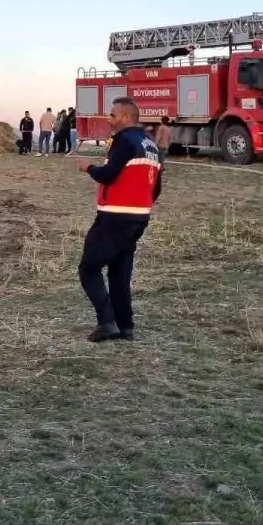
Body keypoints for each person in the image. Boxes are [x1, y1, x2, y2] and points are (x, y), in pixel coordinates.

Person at [76, 97, 163, 342]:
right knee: (119, 272)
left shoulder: (124, 141)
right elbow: (157, 186)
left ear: (126, 117)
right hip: (138, 217)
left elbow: (109, 174)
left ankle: (107, 322)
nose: (109, 119)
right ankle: (126, 326)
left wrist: (88, 168)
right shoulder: (152, 145)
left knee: (89, 268)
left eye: (113, 115)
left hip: (114, 215)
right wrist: (141, 204)